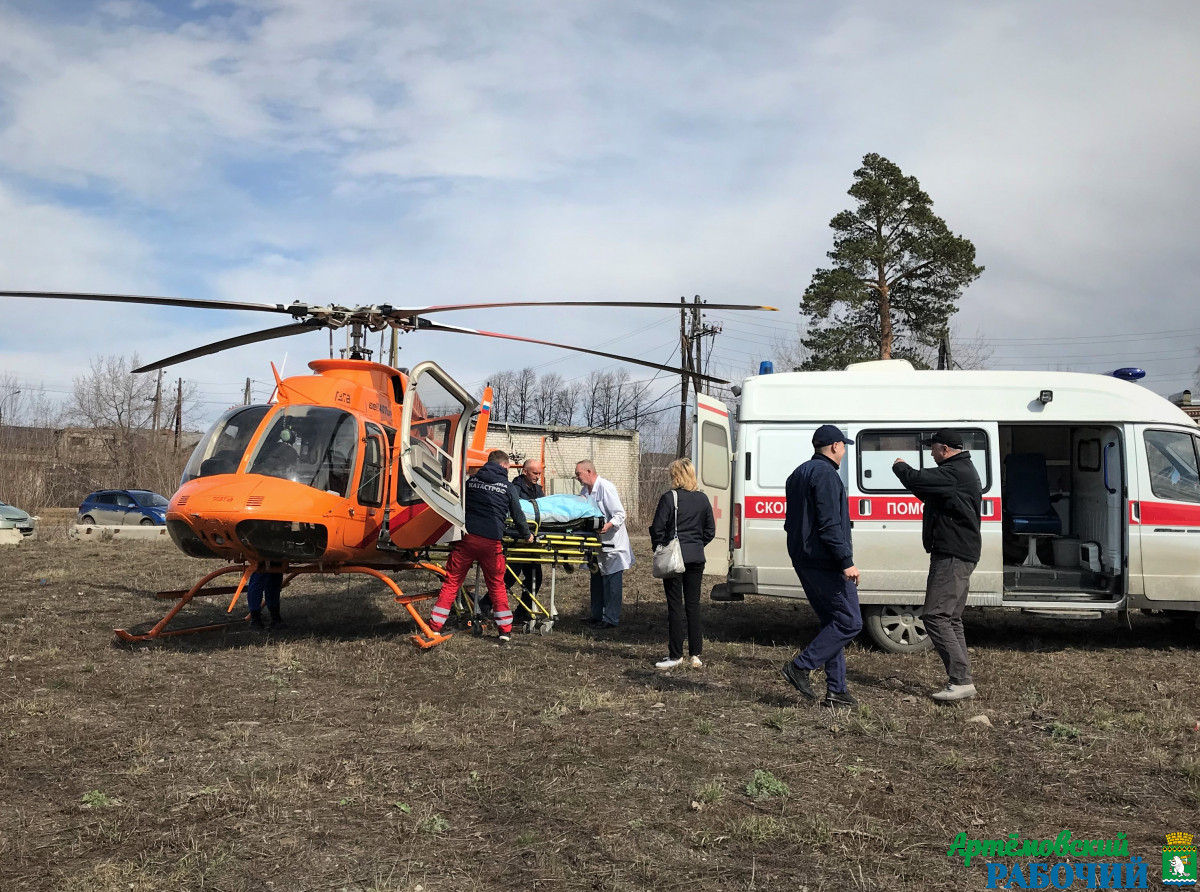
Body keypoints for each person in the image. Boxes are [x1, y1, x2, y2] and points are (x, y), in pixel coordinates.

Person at [892, 429, 983, 702]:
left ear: (944, 449)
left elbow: (915, 478)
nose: (930, 453)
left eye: (932, 448)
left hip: (953, 555)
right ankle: (962, 679)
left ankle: (960, 680)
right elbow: (925, 489)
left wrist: (900, 467)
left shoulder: (954, 472)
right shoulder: (958, 471)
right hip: (958, 552)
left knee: (935, 615)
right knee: (950, 617)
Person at [779, 424, 862, 709]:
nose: (844, 451)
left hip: (804, 557)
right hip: (824, 560)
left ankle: (836, 690)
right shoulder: (826, 475)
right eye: (844, 446)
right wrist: (846, 561)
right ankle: (800, 666)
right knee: (851, 621)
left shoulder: (798, 473)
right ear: (835, 446)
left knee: (832, 621)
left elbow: (794, 521)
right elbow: (829, 525)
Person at [427, 450, 533, 643]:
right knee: (496, 586)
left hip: (467, 539)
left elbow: (457, 505)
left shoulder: (471, 482)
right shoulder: (508, 487)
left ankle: (435, 628)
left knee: (452, 583)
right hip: (491, 542)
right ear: (503, 466)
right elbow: (518, 516)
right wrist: (528, 535)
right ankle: (505, 631)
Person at [649, 458, 715, 669]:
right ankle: (695, 654)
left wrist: (660, 546)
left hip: (674, 559)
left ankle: (675, 655)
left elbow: (658, 528)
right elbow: (710, 531)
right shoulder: (703, 499)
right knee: (693, 605)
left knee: (675, 605)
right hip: (696, 557)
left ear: (676, 476)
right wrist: (697, 544)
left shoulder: (669, 498)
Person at [575, 459, 633, 628]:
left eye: (579, 474)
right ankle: (596, 614)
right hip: (595, 542)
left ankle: (611, 619)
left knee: (612, 581)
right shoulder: (585, 491)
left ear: (589, 472)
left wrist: (607, 526)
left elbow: (620, 514)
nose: (577, 477)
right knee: (597, 578)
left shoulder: (606, 487)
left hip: (612, 542)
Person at [508, 459, 545, 628]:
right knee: (509, 577)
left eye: (539, 473)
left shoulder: (538, 490)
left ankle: (521, 612)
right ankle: (486, 606)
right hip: (518, 539)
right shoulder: (514, 489)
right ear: (524, 472)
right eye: (535, 473)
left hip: (531, 541)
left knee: (535, 577)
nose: (538, 476)